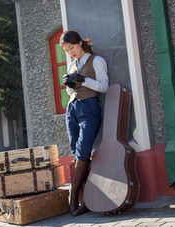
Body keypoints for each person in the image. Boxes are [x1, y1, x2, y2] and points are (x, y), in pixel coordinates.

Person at [60, 30, 109, 216]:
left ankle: (74, 199)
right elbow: (70, 94)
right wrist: (69, 86)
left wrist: (83, 80)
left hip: (89, 108)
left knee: (83, 151)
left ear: (79, 43)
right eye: (66, 50)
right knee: (76, 151)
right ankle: (87, 199)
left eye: (71, 47)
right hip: (72, 110)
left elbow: (103, 86)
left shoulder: (97, 61)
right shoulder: (72, 65)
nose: (70, 53)